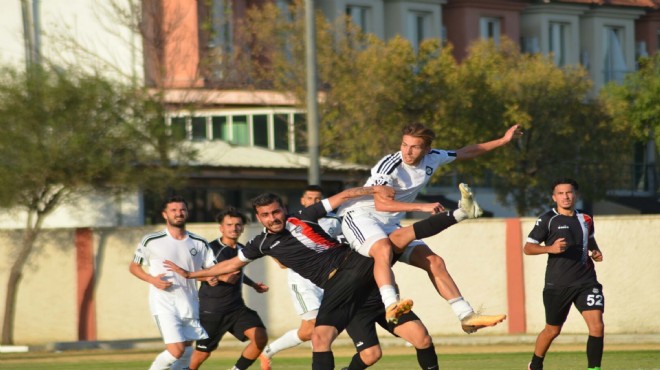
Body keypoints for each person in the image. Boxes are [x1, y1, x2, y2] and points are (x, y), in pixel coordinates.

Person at [164, 185, 479, 370]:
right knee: (374, 352)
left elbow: (342, 196)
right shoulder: (261, 243)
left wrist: (373, 190)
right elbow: (230, 264)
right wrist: (193, 273)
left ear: (283, 209)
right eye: (266, 215)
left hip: (351, 268)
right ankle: (457, 215)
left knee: (322, 336)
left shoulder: (303, 217)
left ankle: (458, 213)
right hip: (349, 295)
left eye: (276, 212)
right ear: (258, 218)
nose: (273, 218)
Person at [338, 122, 521, 329]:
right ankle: (391, 305)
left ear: (426, 149)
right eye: (404, 145)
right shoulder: (389, 165)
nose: (407, 151)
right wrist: (422, 207)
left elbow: (466, 152)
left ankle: (466, 316)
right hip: (360, 217)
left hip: (389, 222)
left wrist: (503, 140)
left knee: (435, 261)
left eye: (414, 147)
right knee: (383, 248)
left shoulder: (433, 157)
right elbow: (381, 203)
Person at [524, 178, 605, 370]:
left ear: (575, 195)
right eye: (560, 193)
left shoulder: (586, 218)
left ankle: (594, 368)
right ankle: (535, 364)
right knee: (552, 330)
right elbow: (528, 248)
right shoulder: (547, 219)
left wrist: (595, 251)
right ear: (554, 197)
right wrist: (550, 248)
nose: (565, 196)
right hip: (557, 284)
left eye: (569, 192)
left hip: (587, 281)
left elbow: (590, 238)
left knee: (597, 326)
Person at [259, 185, 341, 370]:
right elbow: (269, 244)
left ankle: (268, 352)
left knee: (307, 332)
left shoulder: (335, 221)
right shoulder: (292, 221)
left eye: (318, 199)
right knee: (318, 328)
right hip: (303, 282)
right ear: (303, 201)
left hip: (329, 280)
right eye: (310, 198)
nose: (314, 202)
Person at [129, 195, 215, 370]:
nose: (179, 213)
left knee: (186, 351)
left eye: (182, 210)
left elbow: (209, 271)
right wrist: (152, 280)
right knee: (176, 350)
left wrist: (210, 278)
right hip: (164, 303)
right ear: (164, 214)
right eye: (174, 210)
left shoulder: (199, 242)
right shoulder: (151, 240)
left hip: (189, 302)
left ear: (187, 213)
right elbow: (134, 267)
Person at [190, 207, 269, 370]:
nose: (234, 228)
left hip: (236, 308)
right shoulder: (210, 249)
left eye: (238, 225)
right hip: (212, 311)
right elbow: (193, 273)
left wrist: (253, 284)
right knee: (202, 354)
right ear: (221, 228)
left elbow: (237, 273)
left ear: (242, 227)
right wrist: (215, 277)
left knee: (260, 337)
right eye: (229, 224)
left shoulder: (242, 250)